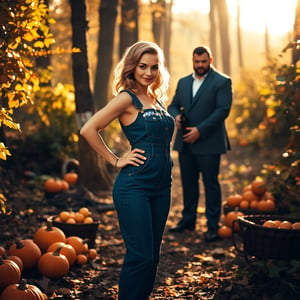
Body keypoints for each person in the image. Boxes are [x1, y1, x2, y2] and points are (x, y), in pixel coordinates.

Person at [80, 41, 174, 300]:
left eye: (154, 67)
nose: (148, 72)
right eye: (143, 66)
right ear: (132, 66)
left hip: (162, 187)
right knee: (141, 256)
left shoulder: (156, 99)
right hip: (135, 186)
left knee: (152, 257)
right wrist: (115, 159)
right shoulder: (126, 98)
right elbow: (88, 129)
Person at [167, 46, 232, 242]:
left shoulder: (222, 81)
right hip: (185, 142)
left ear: (210, 60)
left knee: (211, 183)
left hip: (209, 142)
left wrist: (200, 131)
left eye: (204, 62)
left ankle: (213, 226)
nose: (200, 65)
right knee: (188, 183)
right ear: (193, 60)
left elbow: (222, 110)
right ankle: (188, 220)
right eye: (197, 62)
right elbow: (172, 105)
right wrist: (175, 116)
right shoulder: (184, 82)